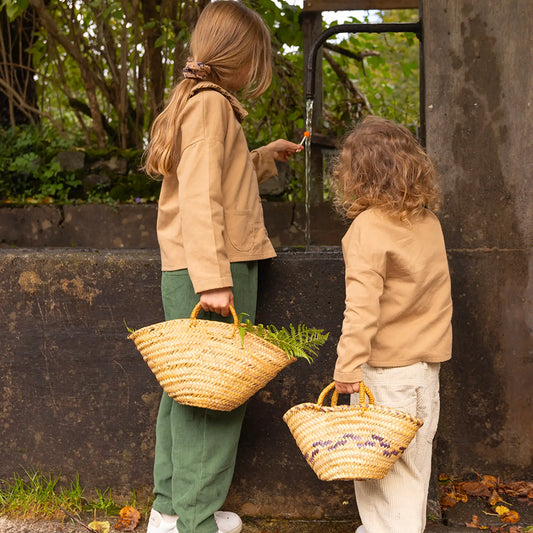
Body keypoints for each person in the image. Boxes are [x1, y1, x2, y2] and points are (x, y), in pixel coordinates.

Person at [143, 2, 302, 533]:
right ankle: (196, 522)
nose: (258, 69)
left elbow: (215, 176)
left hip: (191, 268)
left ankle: (169, 510)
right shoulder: (211, 107)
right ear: (239, 59)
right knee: (217, 399)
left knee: (187, 393)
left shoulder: (199, 103)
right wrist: (213, 279)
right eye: (256, 58)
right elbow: (200, 198)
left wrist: (261, 156)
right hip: (212, 270)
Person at [330, 116, 453, 533]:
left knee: (380, 474)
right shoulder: (428, 223)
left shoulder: (366, 229)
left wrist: (347, 366)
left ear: (355, 175)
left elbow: (361, 309)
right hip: (425, 374)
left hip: (384, 375)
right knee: (412, 471)